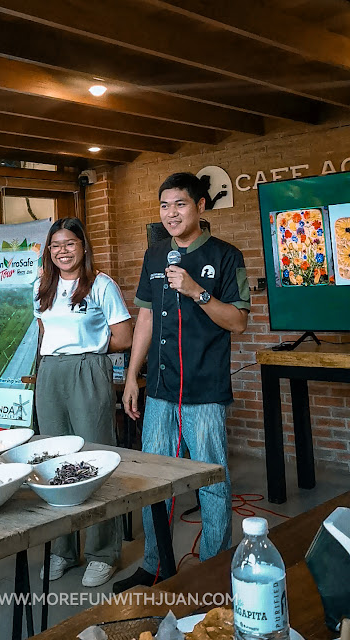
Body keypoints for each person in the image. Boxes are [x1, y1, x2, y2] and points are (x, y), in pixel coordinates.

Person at [113, 172, 250, 593]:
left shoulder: (226, 256)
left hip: (204, 389)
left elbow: (238, 322)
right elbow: (145, 319)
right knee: (155, 479)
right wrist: (133, 377)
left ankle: (213, 568)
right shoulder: (155, 255)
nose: (171, 213)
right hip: (159, 388)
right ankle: (156, 565)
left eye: (180, 204)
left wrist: (196, 291)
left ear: (200, 206)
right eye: (164, 205)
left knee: (211, 479)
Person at [34, 217, 133, 588]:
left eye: (70, 243)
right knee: (53, 460)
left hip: (88, 368)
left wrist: (90, 351)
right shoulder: (41, 286)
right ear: (49, 250)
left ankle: (102, 552)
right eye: (56, 245)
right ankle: (62, 550)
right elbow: (43, 330)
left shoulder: (101, 284)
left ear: (83, 246)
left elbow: (124, 335)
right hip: (50, 372)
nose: (62, 251)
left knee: (94, 457)